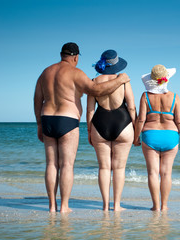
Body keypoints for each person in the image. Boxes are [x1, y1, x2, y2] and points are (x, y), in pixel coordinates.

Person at [33, 42, 130, 213]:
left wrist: (39, 124)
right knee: (67, 165)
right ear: (76, 57)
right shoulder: (75, 73)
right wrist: (121, 79)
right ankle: (64, 207)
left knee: (51, 164)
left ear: (62, 54)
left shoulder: (45, 73)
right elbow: (96, 90)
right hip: (67, 119)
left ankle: (51, 206)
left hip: (47, 117)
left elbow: (37, 99)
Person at [87, 50, 136, 211]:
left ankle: (105, 205)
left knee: (104, 167)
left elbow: (90, 111)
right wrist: (135, 127)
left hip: (99, 123)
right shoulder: (123, 80)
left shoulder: (93, 81)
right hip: (123, 122)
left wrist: (89, 131)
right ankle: (116, 205)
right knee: (119, 168)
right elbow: (131, 106)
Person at [133, 64, 180, 211]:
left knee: (152, 172)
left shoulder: (145, 96)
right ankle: (164, 206)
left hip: (150, 135)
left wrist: (136, 137)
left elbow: (140, 120)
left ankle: (155, 206)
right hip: (170, 135)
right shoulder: (175, 97)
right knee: (166, 173)